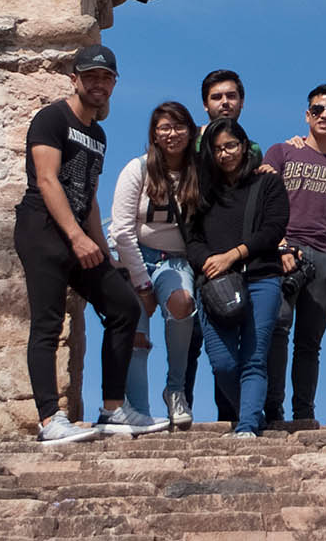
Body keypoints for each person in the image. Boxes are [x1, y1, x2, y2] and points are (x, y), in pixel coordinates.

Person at [14, 44, 165, 444]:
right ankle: (49, 420)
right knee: (47, 323)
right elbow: (47, 180)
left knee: (123, 305)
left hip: (79, 233)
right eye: (91, 77)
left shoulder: (97, 133)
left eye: (106, 78)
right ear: (75, 79)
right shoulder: (52, 118)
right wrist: (76, 237)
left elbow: (90, 195)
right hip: (43, 229)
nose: (99, 84)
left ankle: (113, 410)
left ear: (114, 83)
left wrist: (105, 251)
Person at [263, 84, 326, 423]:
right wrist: (276, 246)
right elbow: (264, 206)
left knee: (310, 344)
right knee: (276, 329)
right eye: (318, 109)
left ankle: (304, 413)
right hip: (284, 251)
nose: (324, 115)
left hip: (325, 261)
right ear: (307, 115)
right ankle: (272, 410)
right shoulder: (281, 152)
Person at [186, 117, 291, 438]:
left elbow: (273, 229)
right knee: (223, 363)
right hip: (215, 284)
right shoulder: (201, 188)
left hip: (261, 278)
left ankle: (247, 427)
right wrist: (208, 263)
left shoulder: (267, 183)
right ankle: (253, 415)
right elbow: (191, 238)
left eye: (231, 146)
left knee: (254, 358)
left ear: (245, 146)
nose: (225, 154)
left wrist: (233, 255)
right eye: (217, 149)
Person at [107, 101, 201, 428]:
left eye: (178, 127)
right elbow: (120, 230)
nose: (172, 134)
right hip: (134, 253)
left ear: (191, 132)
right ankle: (139, 412)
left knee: (183, 304)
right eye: (164, 127)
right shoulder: (139, 169)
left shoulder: (199, 173)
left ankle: (175, 390)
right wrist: (141, 283)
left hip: (175, 260)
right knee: (137, 334)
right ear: (154, 134)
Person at [187, 69, 273, 423]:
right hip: (190, 251)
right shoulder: (187, 140)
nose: (225, 102)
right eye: (217, 97)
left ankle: (237, 416)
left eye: (231, 96)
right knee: (193, 342)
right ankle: (184, 417)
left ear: (241, 102)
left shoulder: (251, 148)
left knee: (238, 340)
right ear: (205, 104)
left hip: (234, 259)